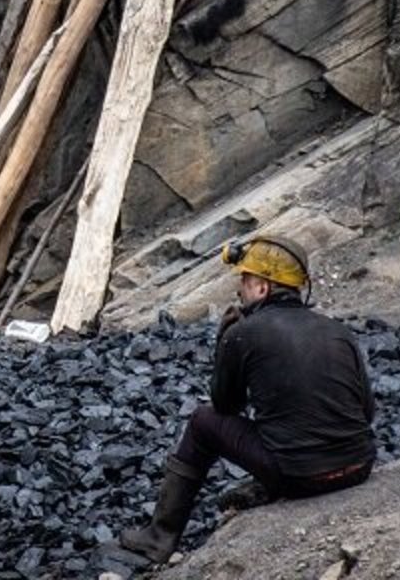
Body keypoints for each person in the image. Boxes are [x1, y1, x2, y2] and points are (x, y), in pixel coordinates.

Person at [120, 235, 377, 563]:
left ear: (262, 288)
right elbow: (367, 412)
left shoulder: (242, 332)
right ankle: (268, 485)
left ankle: (160, 536)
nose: (239, 288)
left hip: (300, 478)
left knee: (202, 421)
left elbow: (225, 407)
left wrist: (223, 342)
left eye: (244, 279)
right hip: (359, 466)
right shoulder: (339, 331)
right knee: (289, 423)